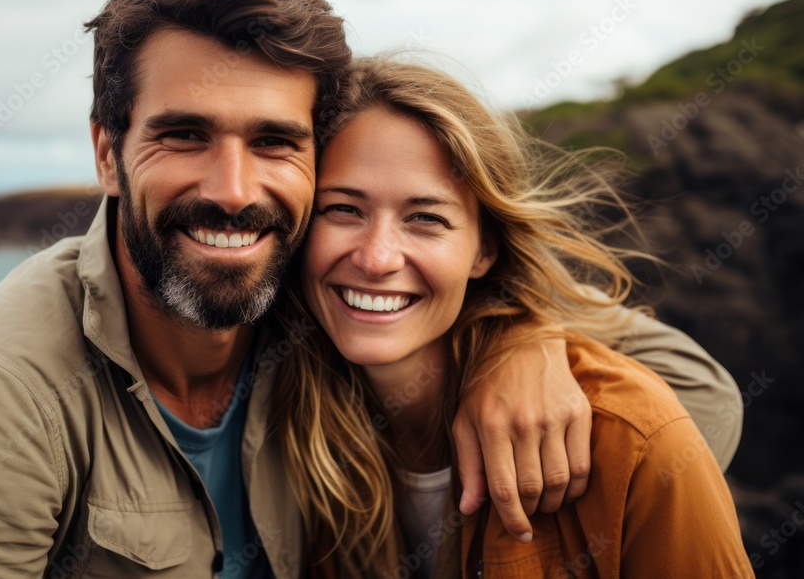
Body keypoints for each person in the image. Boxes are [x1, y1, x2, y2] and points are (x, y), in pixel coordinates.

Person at [0, 0, 743, 578]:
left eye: (275, 142)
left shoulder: (307, 296)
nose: (234, 189)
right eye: (184, 134)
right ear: (105, 153)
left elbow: (693, 399)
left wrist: (522, 341)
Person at [274, 57, 753, 578]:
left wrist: (531, 336)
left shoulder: (625, 434)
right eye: (343, 209)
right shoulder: (267, 404)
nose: (376, 258)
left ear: (485, 250)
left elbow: (704, 403)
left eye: (426, 219)